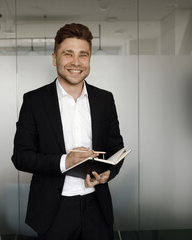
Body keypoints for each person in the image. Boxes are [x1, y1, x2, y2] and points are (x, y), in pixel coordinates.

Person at [12, 23, 124, 240]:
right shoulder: (34, 101)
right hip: (53, 211)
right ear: (55, 58)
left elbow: (116, 149)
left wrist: (108, 173)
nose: (76, 62)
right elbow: (21, 157)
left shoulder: (105, 99)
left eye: (83, 55)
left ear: (89, 59)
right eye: (68, 54)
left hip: (97, 208)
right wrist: (66, 161)